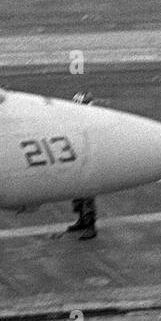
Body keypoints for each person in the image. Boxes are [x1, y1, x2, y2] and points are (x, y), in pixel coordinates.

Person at [66, 92, 98, 239]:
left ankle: (91, 226)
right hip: (78, 161)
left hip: (88, 164)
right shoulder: (74, 120)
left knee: (87, 197)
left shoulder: (92, 121)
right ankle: (81, 220)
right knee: (78, 195)